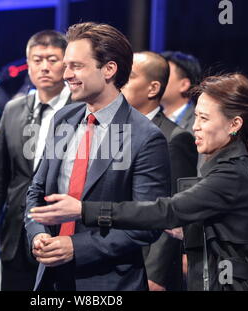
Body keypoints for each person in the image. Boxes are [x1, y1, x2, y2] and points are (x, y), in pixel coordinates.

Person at [28, 73, 248, 291]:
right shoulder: (233, 166)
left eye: (204, 119)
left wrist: (83, 209)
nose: (196, 127)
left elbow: (167, 210)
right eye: (196, 116)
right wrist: (186, 230)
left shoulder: (231, 173)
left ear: (234, 124)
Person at [24, 22, 170, 291]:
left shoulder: (145, 136)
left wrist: (76, 247)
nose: (66, 75)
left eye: (76, 66)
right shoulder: (63, 120)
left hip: (109, 284)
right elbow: (36, 192)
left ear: (109, 69)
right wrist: (38, 236)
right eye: (66, 65)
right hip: (51, 280)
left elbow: (148, 222)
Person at [0, 30, 71, 291]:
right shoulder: (14, 109)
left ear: (66, 63)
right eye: (37, 60)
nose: (44, 67)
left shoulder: (80, 108)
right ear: (28, 65)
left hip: (62, 232)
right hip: (15, 233)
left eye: (52, 59)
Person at [122, 51, 198, 290]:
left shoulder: (174, 138)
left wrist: (156, 274)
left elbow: (174, 210)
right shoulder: (116, 130)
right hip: (116, 257)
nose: (119, 82)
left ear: (153, 88)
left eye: (129, 76)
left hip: (148, 268)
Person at [160, 51, 201, 134]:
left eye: (164, 75)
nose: (157, 80)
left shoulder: (197, 124)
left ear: (184, 85)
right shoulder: (150, 116)